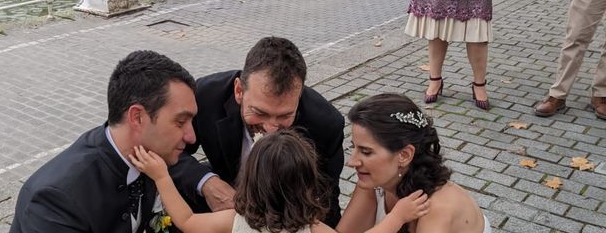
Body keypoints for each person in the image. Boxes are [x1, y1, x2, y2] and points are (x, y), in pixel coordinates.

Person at [10, 50, 198, 233]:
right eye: (180, 122)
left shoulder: (151, 158)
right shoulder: (57, 199)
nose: (192, 137)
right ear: (138, 117)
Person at [170, 37, 345, 227]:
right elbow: (167, 149)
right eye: (260, 112)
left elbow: (326, 199)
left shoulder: (325, 124)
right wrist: (206, 183)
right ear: (239, 91)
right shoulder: (206, 96)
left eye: (285, 116)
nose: (271, 129)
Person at [131, 130, 428, 233]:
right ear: (309, 185)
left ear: (249, 181)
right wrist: (397, 216)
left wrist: (161, 175)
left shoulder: (234, 221)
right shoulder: (313, 229)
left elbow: (185, 220)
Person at [337, 93, 491, 233]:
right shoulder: (373, 180)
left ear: (404, 155)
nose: (352, 162)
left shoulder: (437, 207)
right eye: (354, 147)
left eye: (366, 152)